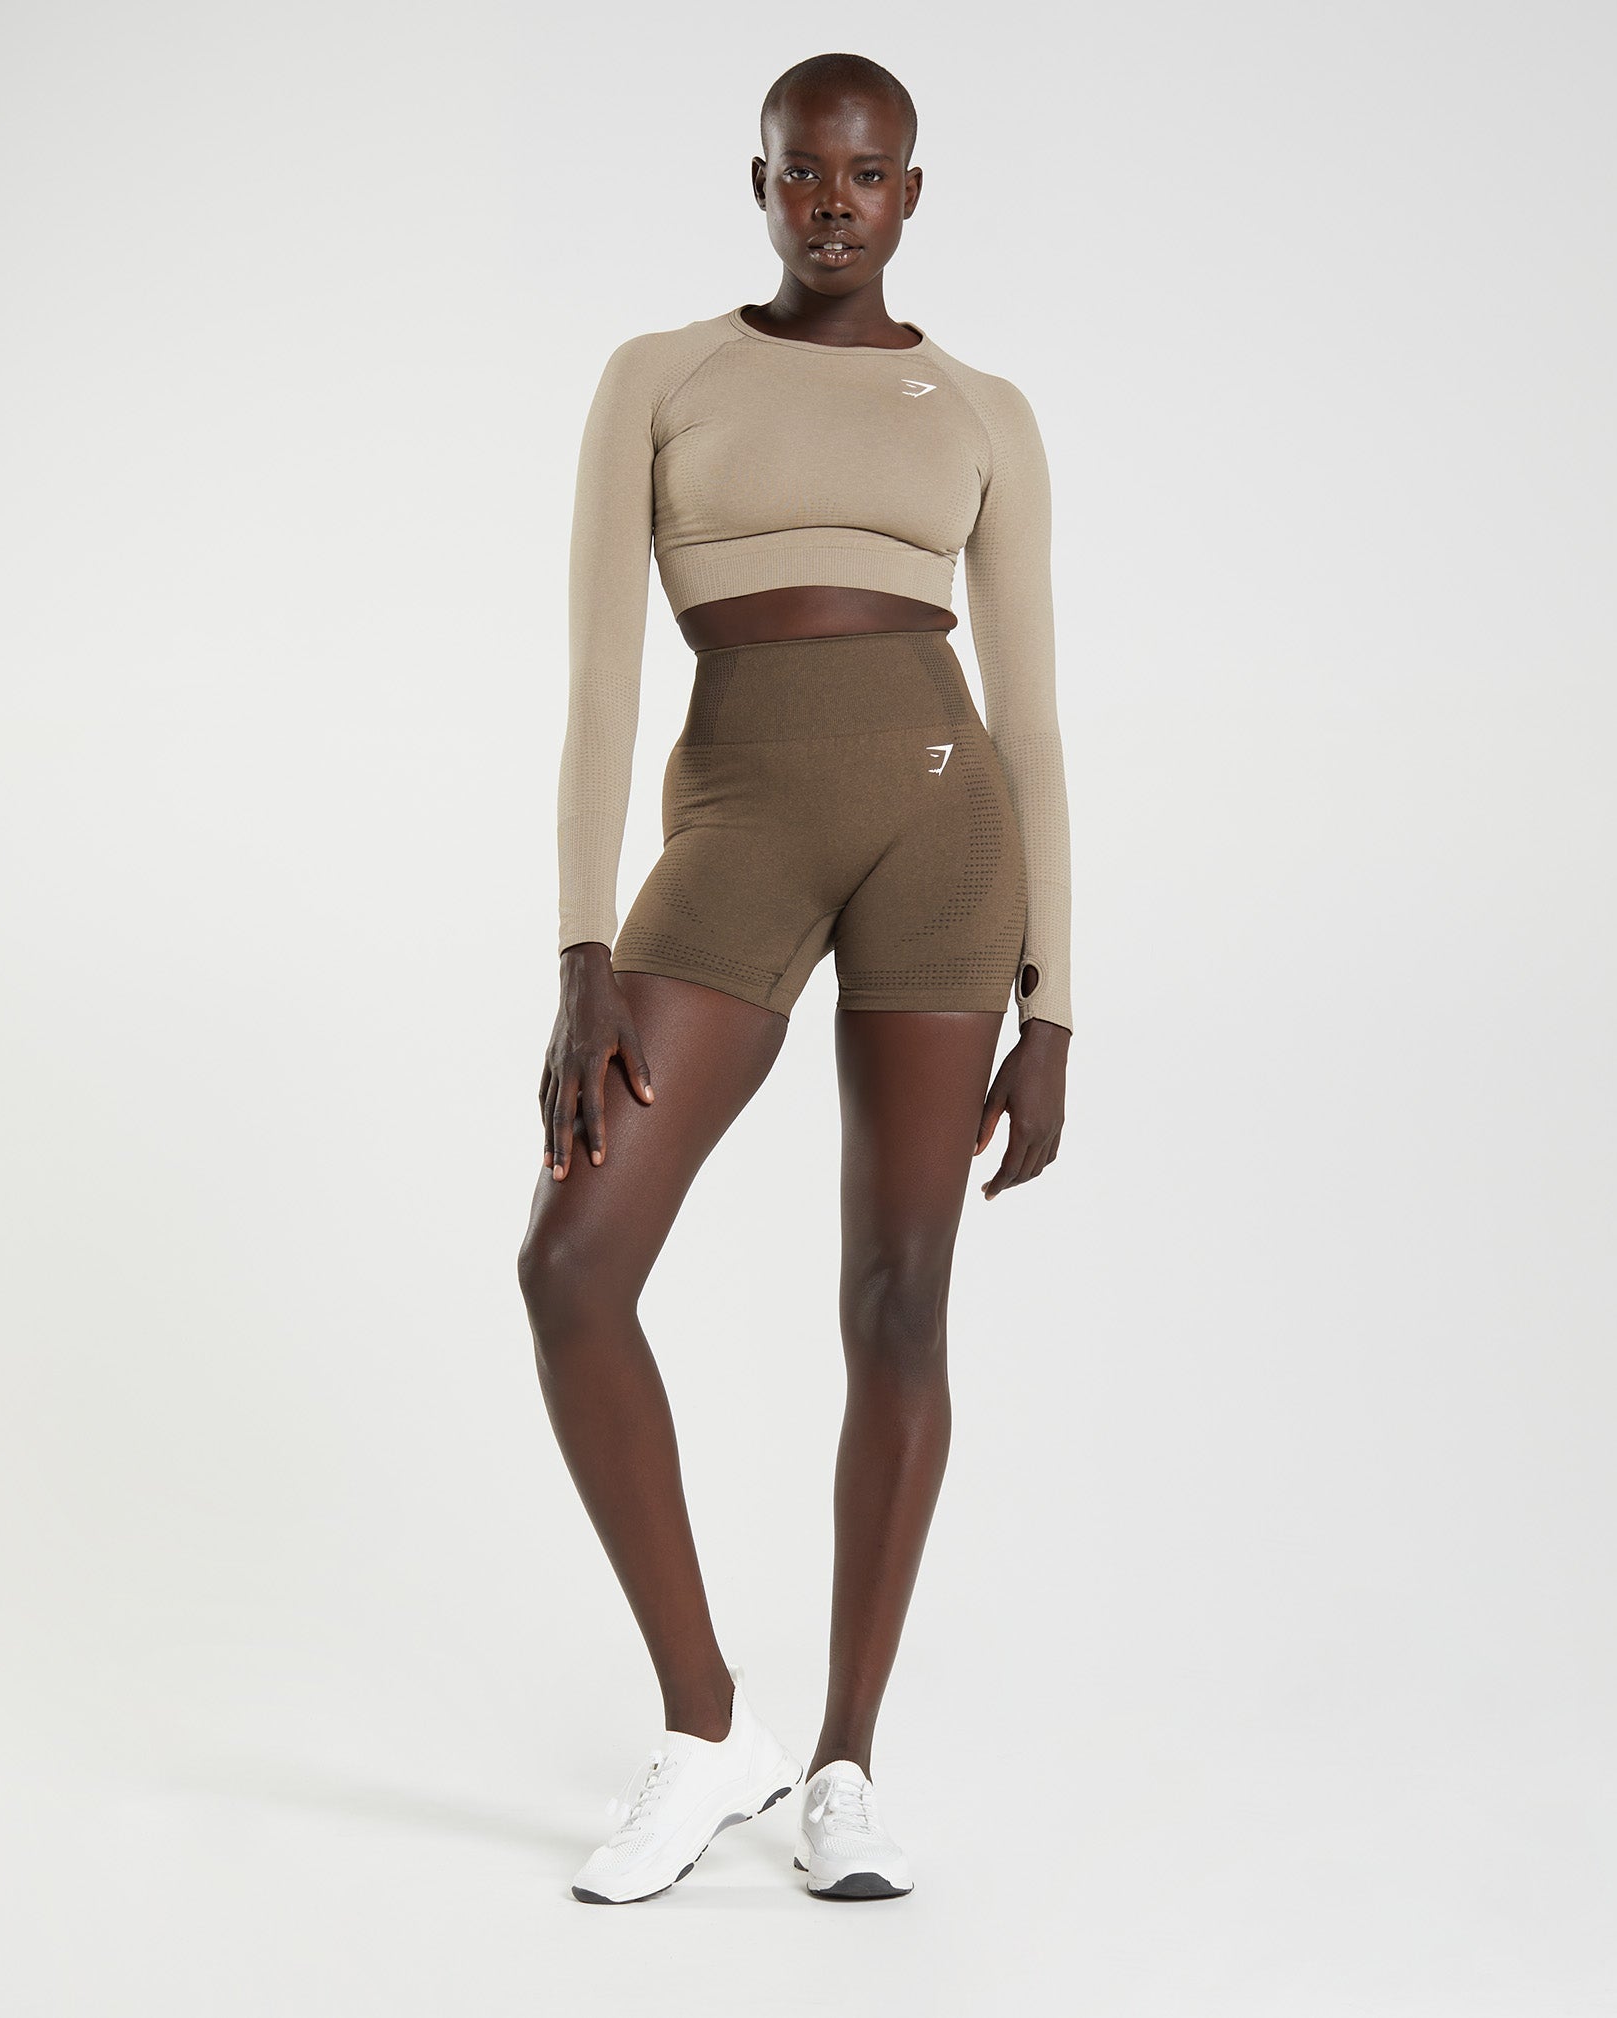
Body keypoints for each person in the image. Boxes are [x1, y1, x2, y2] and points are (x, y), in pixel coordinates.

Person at [517, 50, 1073, 1905]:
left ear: (914, 190)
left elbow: (1035, 720)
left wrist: (1057, 1001)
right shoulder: (660, 375)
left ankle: (845, 1762)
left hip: (946, 830)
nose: (836, 200)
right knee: (573, 1262)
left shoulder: (982, 407)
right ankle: (708, 1731)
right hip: (737, 822)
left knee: (900, 1301)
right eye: (803, 171)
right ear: (756, 181)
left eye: (869, 172)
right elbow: (603, 679)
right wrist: (584, 943)